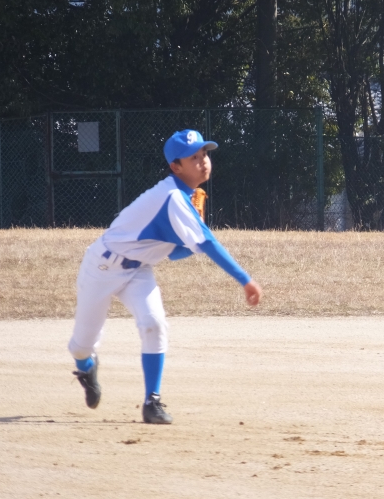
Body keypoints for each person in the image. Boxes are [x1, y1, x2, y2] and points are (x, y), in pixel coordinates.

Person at [68, 129, 263, 424]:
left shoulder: (183, 197)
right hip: (102, 267)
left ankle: (152, 402)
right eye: (193, 157)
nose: (203, 161)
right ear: (176, 166)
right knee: (82, 345)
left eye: (204, 154)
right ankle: (87, 368)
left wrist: (191, 239)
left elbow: (175, 253)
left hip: (138, 270)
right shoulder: (173, 197)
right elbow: (208, 243)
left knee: (154, 324)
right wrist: (245, 280)